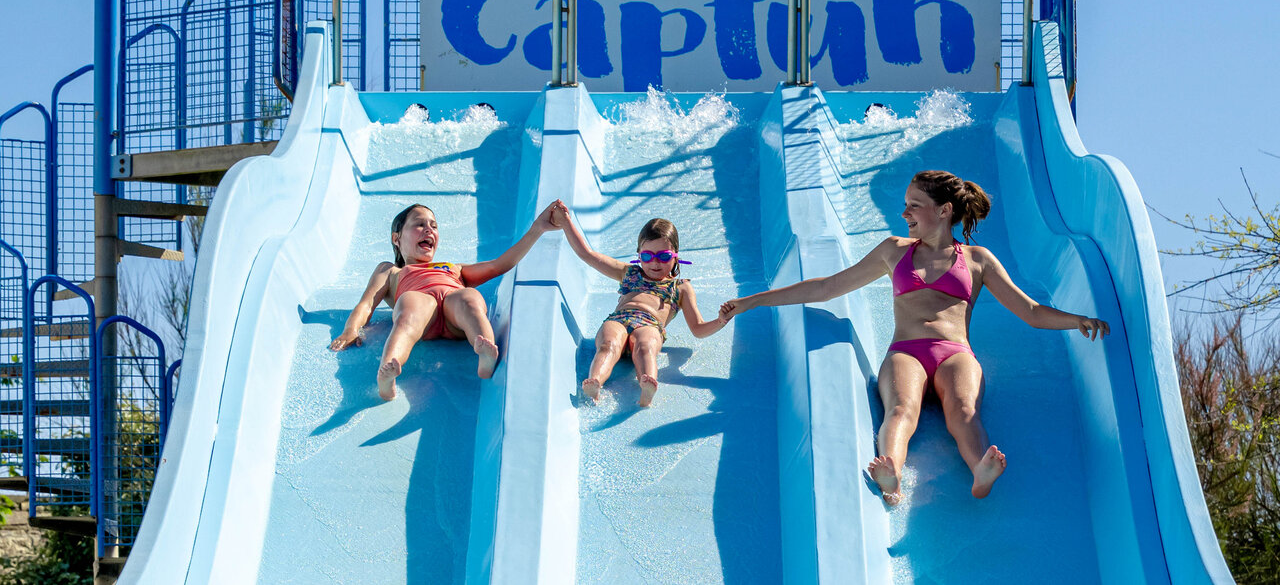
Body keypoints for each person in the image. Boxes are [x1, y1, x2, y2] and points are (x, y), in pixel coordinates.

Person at [719, 170, 1109, 504]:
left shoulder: (977, 260)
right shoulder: (895, 250)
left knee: (963, 410)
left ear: (943, 211)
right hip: (905, 351)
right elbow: (828, 286)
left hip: (956, 353)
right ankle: (891, 475)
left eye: (914, 205)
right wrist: (755, 301)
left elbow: (1030, 311)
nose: (904, 213)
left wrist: (1077, 320)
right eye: (906, 205)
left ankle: (980, 473)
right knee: (902, 409)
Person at [330, 202, 560, 400]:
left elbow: (500, 264)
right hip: (421, 312)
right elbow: (368, 303)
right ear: (396, 238)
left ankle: (484, 351)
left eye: (434, 226)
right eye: (420, 224)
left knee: (470, 298)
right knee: (410, 307)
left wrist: (538, 228)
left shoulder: (453, 268)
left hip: (454, 311)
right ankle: (388, 372)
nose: (428, 229)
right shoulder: (391, 271)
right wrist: (351, 330)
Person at [550, 202, 727, 407]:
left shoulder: (681, 287)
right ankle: (595, 383)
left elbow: (698, 329)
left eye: (663, 256)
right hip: (619, 319)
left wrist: (720, 321)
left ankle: (647, 388)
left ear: (675, 254)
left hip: (650, 325)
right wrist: (565, 222)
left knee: (645, 347)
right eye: (647, 256)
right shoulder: (628, 272)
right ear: (638, 254)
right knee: (608, 346)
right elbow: (587, 254)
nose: (655, 263)